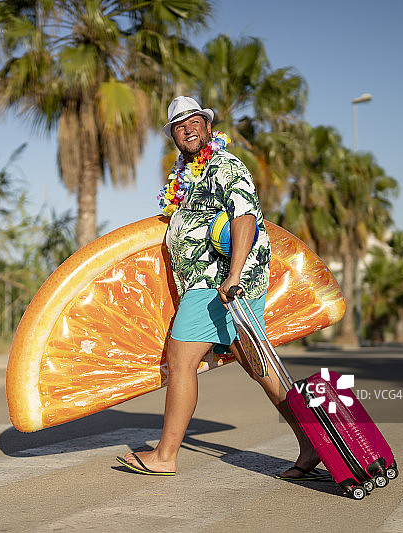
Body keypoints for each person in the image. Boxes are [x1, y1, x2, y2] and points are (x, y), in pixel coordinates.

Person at [116, 96, 326, 481]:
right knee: (260, 367)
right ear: (174, 138)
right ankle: (312, 443)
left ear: (208, 126)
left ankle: (165, 455)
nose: (188, 129)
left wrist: (233, 275)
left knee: (181, 360)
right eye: (179, 126)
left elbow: (245, 217)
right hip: (215, 286)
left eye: (194, 121)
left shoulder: (224, 165)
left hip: (217, 285)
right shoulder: (188, 177)